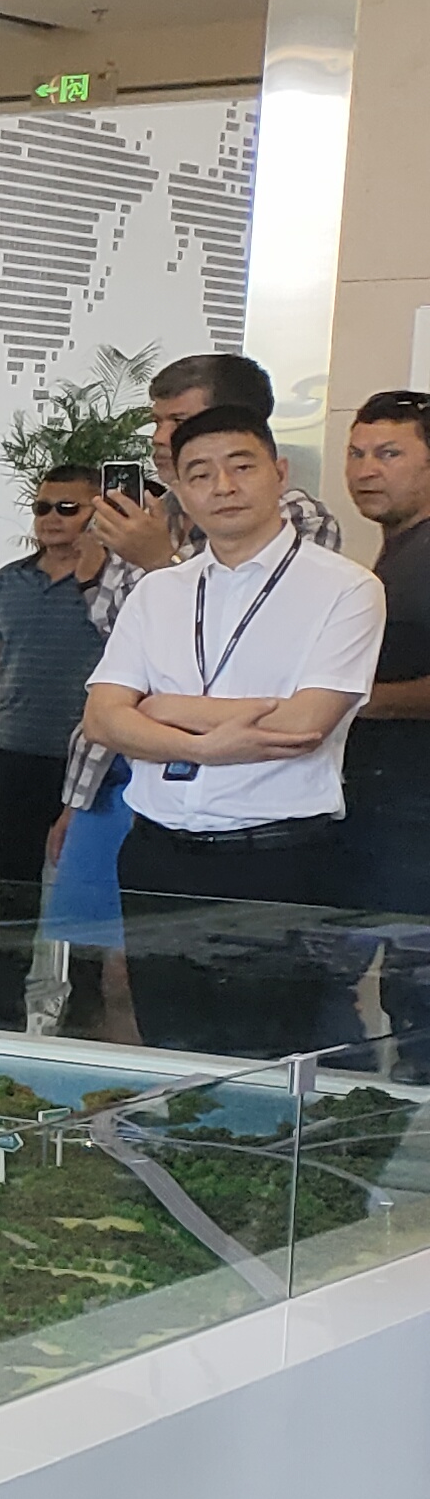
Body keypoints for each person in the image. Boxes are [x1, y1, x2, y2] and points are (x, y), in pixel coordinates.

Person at [81, 408, 380, 1061]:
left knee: (267, 1055)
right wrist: (199, 746)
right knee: (170, 1047)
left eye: (241, 466)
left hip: (275, 860)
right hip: (157, 855)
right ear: (180, 492)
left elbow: (304, 724)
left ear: (279, 473)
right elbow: (102, 718)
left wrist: (160, 708)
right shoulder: (159, 591)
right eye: (199, 474)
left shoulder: (346, 588)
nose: (223, 486)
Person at [48, 354, 346, 1003]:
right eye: (158, 422)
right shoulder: (159, 517)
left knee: (259, 1010)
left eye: (178, 419)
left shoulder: (307, 531)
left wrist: (159, 705)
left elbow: (289, 697)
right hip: (137, 782)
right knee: (120, 973)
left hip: (263, 820)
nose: (161, 436)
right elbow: (109, 682)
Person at [0, 465, 109, 1030]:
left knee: (89, 886)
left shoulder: (116, 586)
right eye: (43, 507)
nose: (51, 518)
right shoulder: (9, 580)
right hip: (13, 750)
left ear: (97, 512)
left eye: (68, 508)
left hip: (91, 759)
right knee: (12, 884)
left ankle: (88, 1002)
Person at [341, 391, 430, 1071]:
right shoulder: (394, 554)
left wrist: (345, 701)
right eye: (357, 453)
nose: (367, 469)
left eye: (390, 453)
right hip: (379, 807)